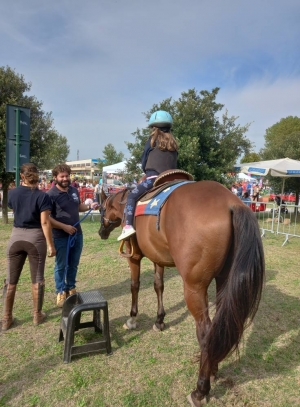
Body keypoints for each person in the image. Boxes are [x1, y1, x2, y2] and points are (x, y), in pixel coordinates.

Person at [2, 163, 56, 331]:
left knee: (10, 281)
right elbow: (45, 222)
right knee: (37, 279)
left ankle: (6, 319)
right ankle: (36, 315)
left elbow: (13, 206)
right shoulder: (43, 196)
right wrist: (50, 245)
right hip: (35, 239)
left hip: (15, 238)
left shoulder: (12, 193)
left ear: (22, 177)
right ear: (37, 176)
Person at [118, 110, 178, 241]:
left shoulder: (151, 141)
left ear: (154, 128)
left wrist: (146, 170)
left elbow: (144, 160)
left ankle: (128, 226)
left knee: (132, 195)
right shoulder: (174, 144)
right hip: (173, 179)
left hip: (155, 179)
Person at [47, 164, 99, 307]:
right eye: (62, 176)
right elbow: (47, 218)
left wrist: (90, 206)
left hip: (77, 234)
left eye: (67, 175)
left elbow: (78, 206)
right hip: (60, 235)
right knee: (61, 265)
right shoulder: (50, 195)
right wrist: (64, 227)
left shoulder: (74, 190)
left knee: (73, 264)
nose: (65, 178)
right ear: (55, 178)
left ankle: (71, 287)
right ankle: (60, 291)